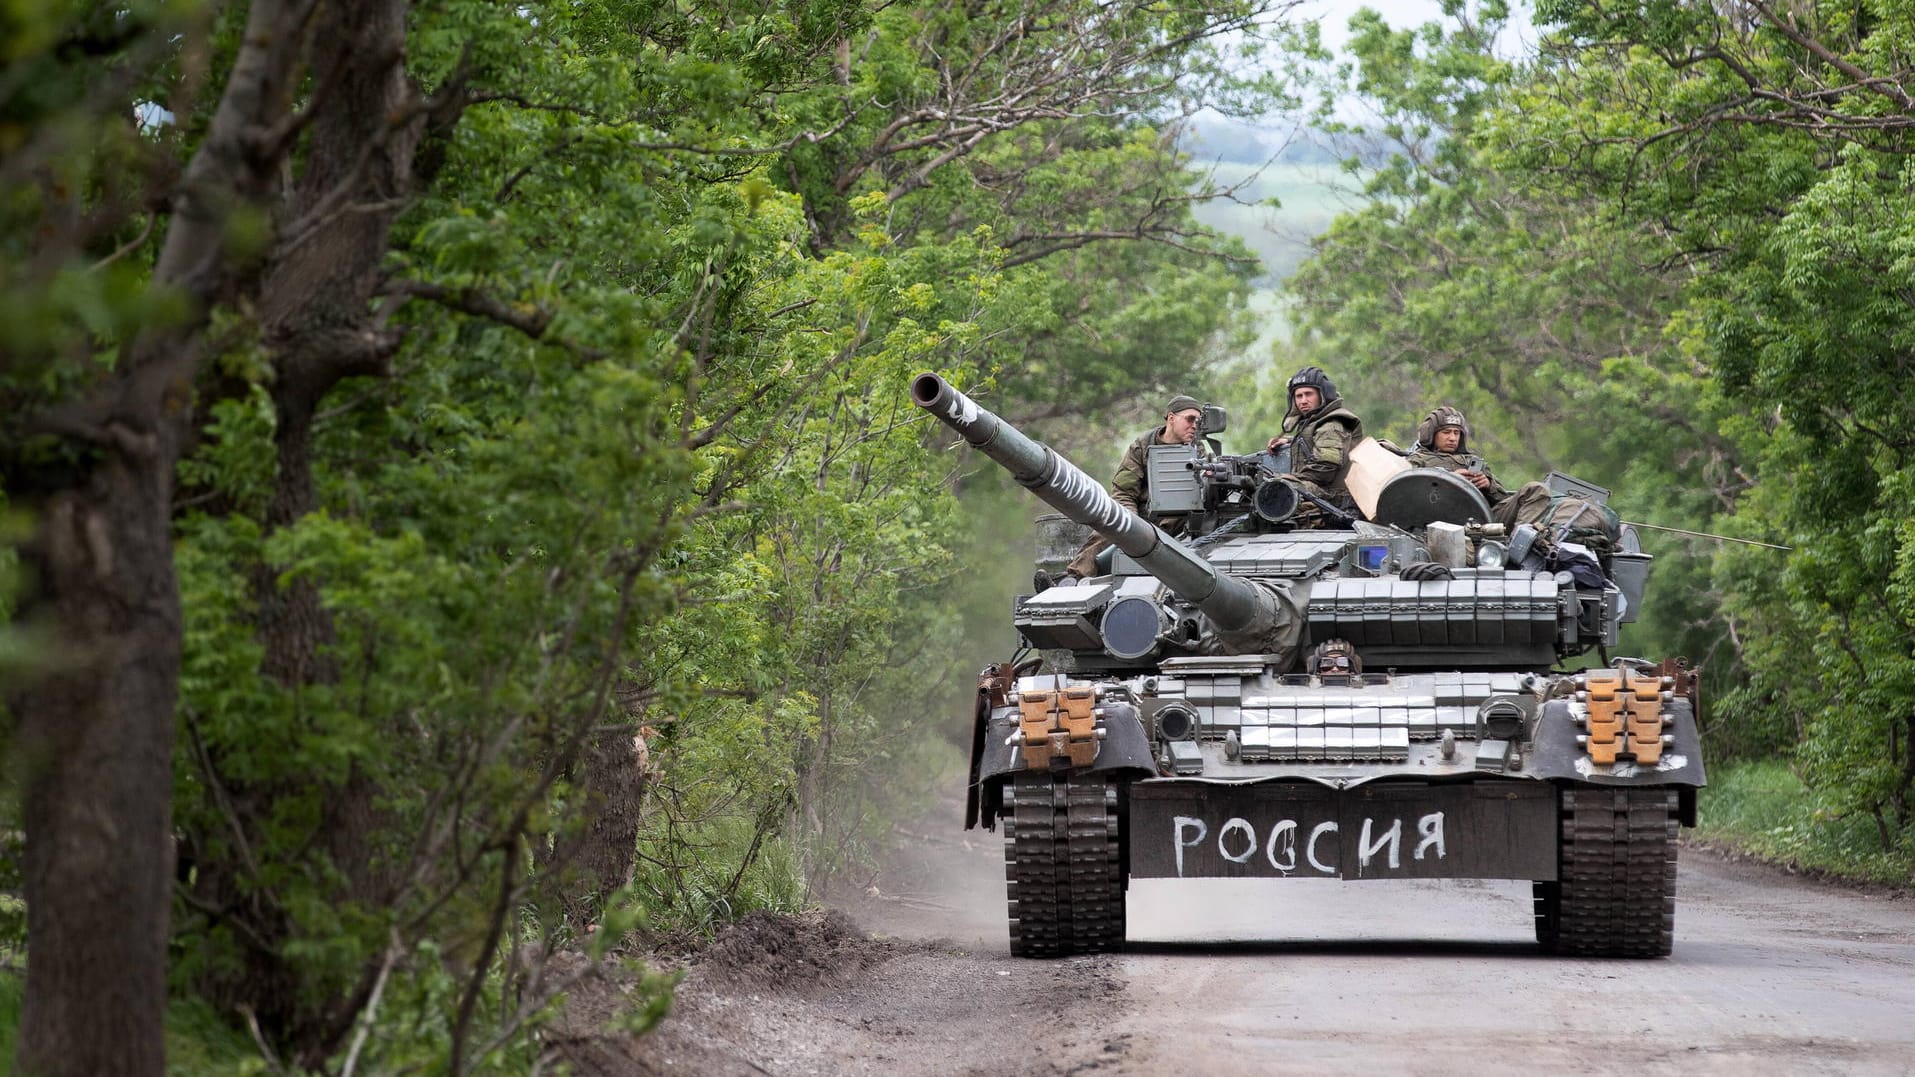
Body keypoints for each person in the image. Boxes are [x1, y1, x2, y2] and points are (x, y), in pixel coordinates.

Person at [1055, 394, 1207, 582]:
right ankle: (1072, 580)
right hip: (1141, 515)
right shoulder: (1142, 446)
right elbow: (1124, 491)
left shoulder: (1197, 450)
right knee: (1107, 528)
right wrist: (1130, 522)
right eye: (1190, 419)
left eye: (1198, 421)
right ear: (1171, 418)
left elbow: (1197, 493)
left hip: (1177, 520)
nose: (1194, 425)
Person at [1402, 405, 1548, 530]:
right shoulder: (1417, 461)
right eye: (1446, 432)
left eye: (1456, 432)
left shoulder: (1471, 460)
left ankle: (1519, 543)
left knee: (1536, 489)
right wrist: (1448, 480)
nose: (1452, 438)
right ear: (1431, 435)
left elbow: (1503, 499)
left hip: (1483, 521)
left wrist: (1488, 485)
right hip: (1438, 524)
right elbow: (1408, 496)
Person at [1265, 365, 1363, 513]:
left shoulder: (1331, 425)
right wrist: (1291, 442)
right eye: (1298, 396)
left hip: (1333, 497)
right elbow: (1319, 442)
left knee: (1277, 488)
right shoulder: (1316, 423)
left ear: (1322, 395)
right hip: (1322, 493)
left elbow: (1325, 467)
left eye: (1308, 394)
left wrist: (1290, 478)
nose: (1303, 401)